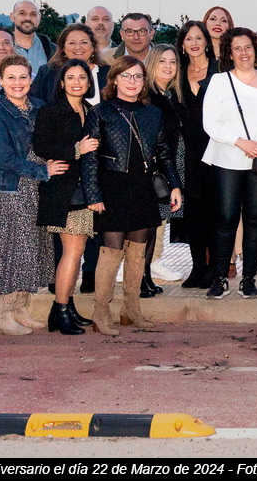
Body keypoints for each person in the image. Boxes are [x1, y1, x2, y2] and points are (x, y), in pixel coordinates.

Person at [85, 57, 183, 334]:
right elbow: (90, 159)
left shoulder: (153, 113)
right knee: (111, 251)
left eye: (138, 76)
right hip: (112, 186)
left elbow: (165, 154)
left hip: (143, 186)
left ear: (144, 81)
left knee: (139, 251)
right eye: (126, 76)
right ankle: (100, 313)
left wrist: (175, 186)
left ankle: (131, 309)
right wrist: (93, 194)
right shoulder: (100, 112)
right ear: (114, 79)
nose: (132, 81)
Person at [201, 27, 257, 301]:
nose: (243, 53)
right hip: (227, 158)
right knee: (226, 218)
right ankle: (219, 278)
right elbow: (210, 123)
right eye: (237, 48)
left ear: (256, 49)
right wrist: (241, 142)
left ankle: (248, 279)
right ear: (229, 53)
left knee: (255, 219)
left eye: (248, 47)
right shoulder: (219, 81)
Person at [0, 54, 58, 335]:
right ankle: (1, 315)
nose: (17, 82)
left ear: (30, 79)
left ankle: (20, 309)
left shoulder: (40, 108)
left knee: (32, 250)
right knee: (12, 252)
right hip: (13, 190)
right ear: (1, 81)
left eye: (23, 77)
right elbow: (1, 158)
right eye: (11, 77)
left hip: (40, 188)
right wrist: (41, 170)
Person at [32, 59, 102, 334]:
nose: (76, 82)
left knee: (77, 252)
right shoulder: (51, 110)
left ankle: (66, 307)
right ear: (61, 83)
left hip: (84, 189)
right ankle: (59, 310)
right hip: (63, 190)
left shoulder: (90, 110)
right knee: (72, 253)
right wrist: (75, 149)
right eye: (70, 77)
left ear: (89, 82)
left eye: (82, 77)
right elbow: (41, 146)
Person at [175, 21, 218, 289]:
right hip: (186, 151)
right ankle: (197, 267)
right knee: (192, 212)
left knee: (214, 211)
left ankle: (214, 269)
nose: (194, 43)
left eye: (199, 38)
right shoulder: (177, 72)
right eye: (188, 38)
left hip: (215, 149)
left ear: (206, 42)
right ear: (182, 43)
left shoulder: (219, 71)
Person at [143, 44, 188, 291]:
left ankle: (155, 260)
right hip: (157, 166)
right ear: (152, 64)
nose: (168, 66)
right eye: (162, 61)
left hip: (171, 161)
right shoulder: (148, 96)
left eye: (172, 62)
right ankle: (143, 265)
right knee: (152, 217)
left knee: (161, 215)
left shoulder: (171, 94)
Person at [32, 23, 106, 104]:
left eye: (84, 42)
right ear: (63, 48)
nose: (78, 47)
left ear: (93, 47)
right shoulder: (47, 73)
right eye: (72, 43)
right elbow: (34, 104)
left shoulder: (108, 73)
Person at [0, 0, 54, 70]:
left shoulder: (53, 50)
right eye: (22, 13)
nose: (28, 18)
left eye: (33, 14)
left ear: (39, 18)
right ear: (12, 17)